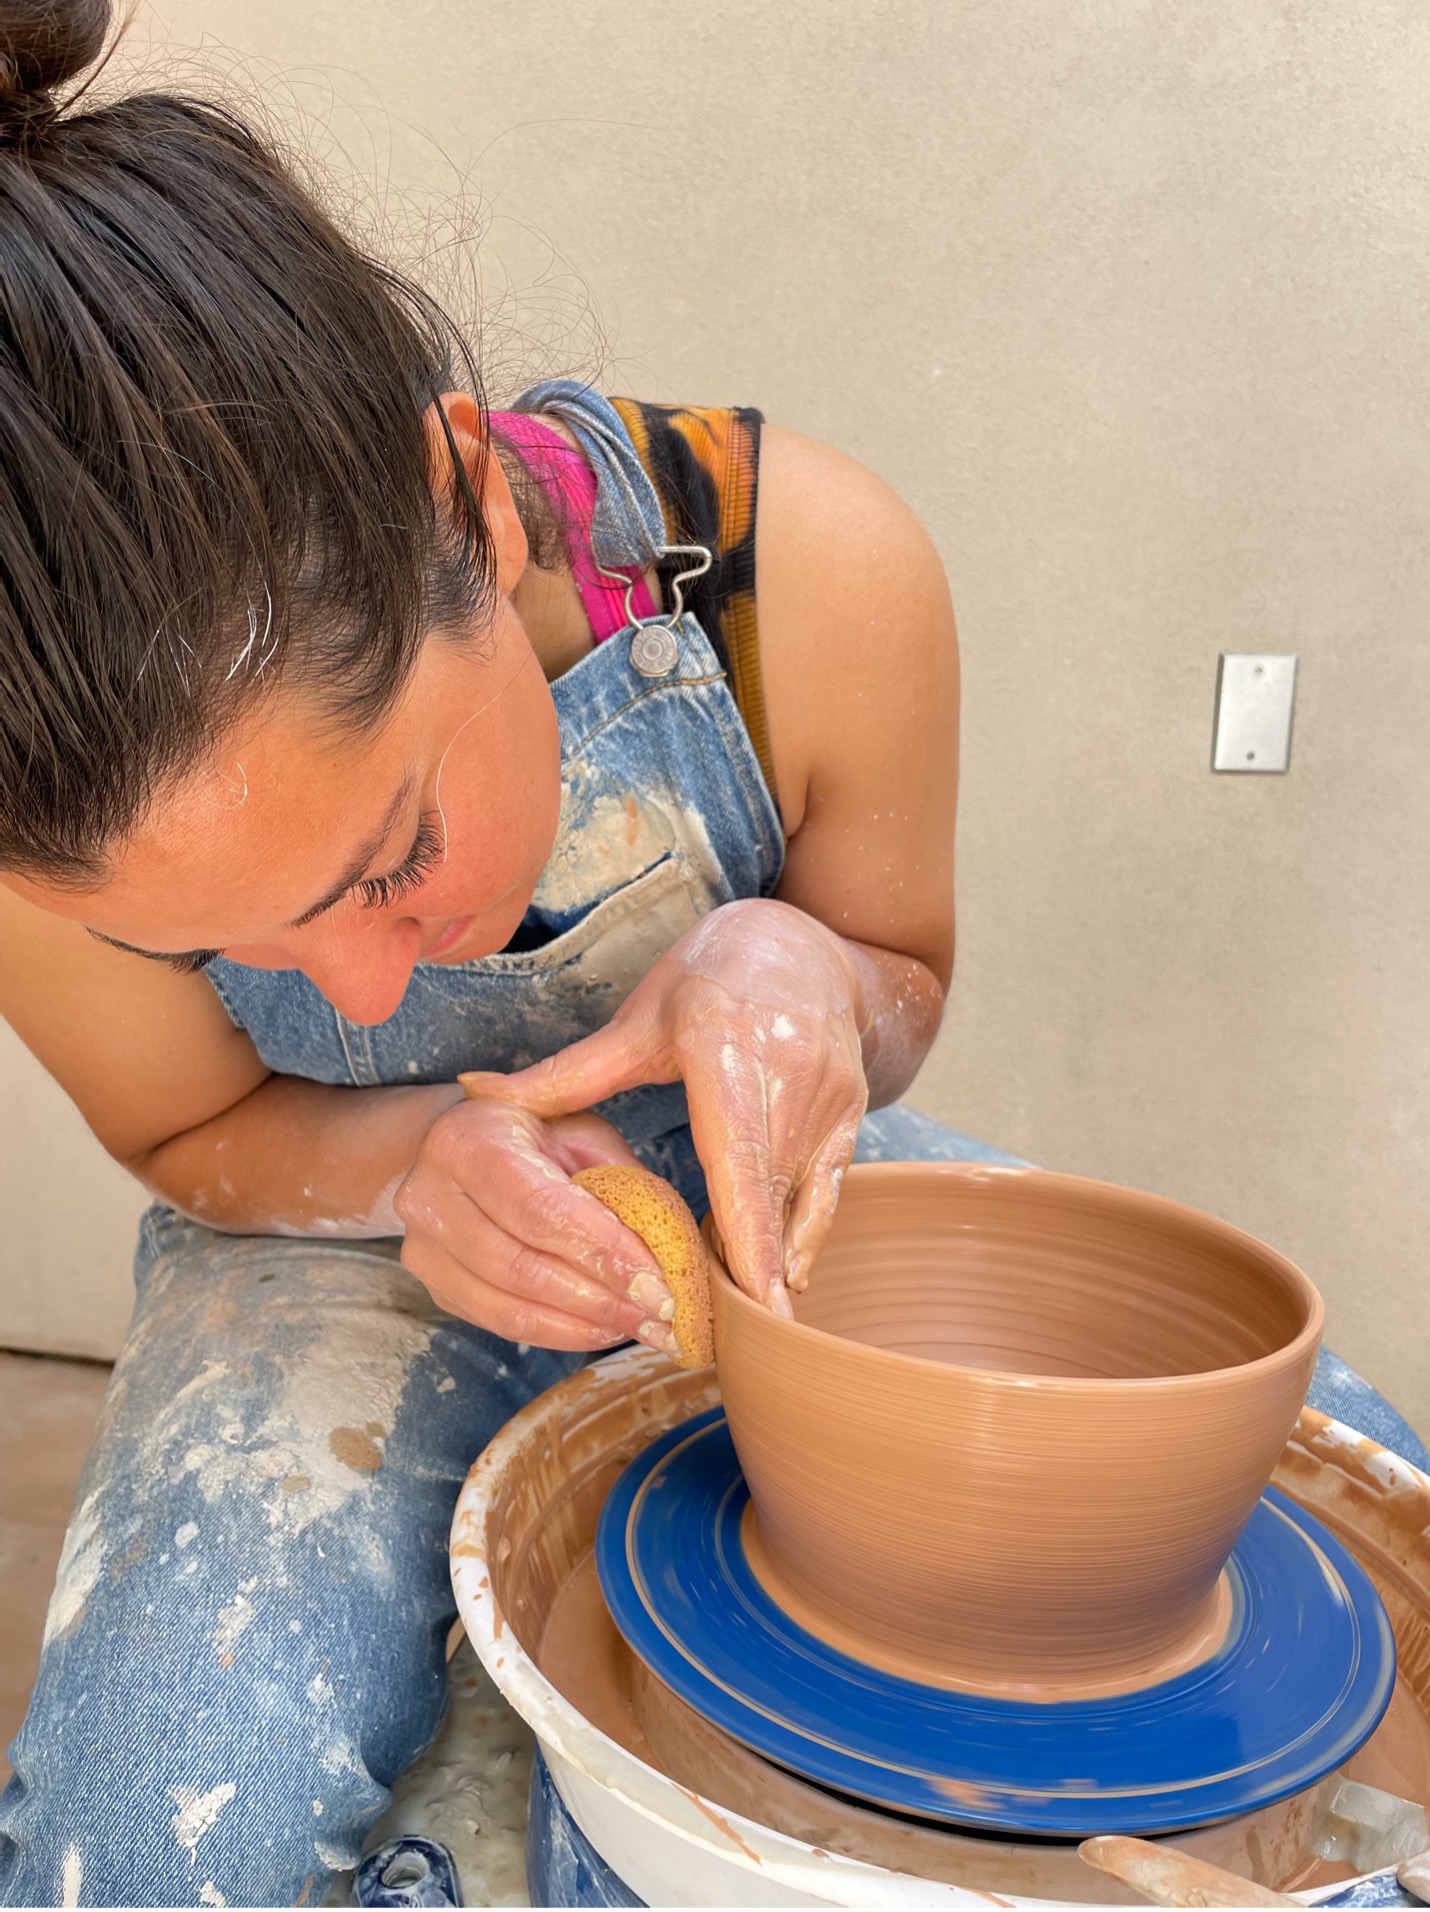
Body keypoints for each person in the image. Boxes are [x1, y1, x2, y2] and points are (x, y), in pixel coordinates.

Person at [0, 4, 1418, 1906]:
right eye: (221, 941)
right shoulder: (39, 812)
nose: (352, 991)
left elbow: (898, 976)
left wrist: (810, 974)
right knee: (153, 1821)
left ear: (470, 497)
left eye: (389, 854)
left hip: (766, 1214)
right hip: (323, 1236)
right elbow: (196, 1135)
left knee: (1356, 1513)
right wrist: (411, 1155)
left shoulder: (811, 576)